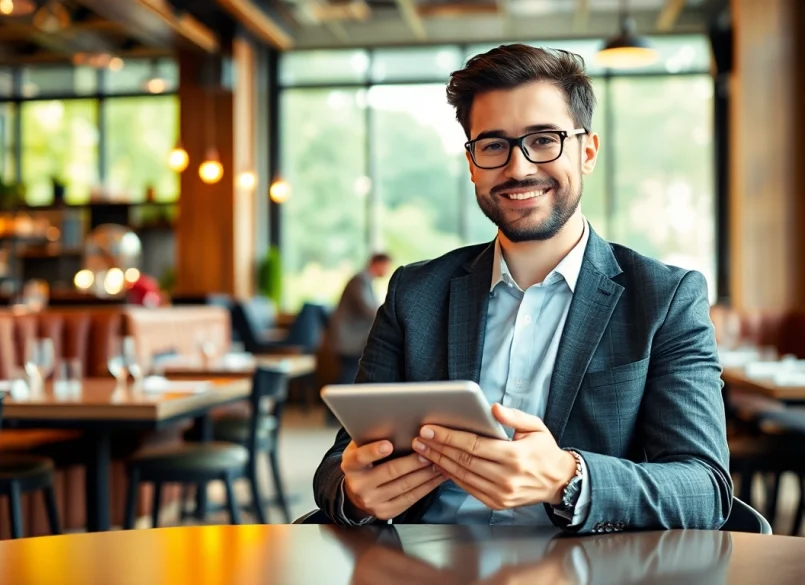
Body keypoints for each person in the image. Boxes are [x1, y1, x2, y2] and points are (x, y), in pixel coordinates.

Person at [313, 44, 732, 533]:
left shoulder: (666, 299)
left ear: (587, 151)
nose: (518, 168)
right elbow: (339, 462)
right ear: (472, 163)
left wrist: (568, 478)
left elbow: (705, 489)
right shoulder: (415, 294)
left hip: (587, 562)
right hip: (429, 558)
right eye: (494, 145)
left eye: (544, 139)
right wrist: (355, 493)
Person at [325, 253, 393, 385]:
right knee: (349, 374)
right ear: (377, 264)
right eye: (386, 266)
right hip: (348, 339)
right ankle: (335, 399)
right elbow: (368, 309)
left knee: (350, 373)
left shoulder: (366, 281)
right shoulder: (360, 280)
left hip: (350, 339)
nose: (387, 270)